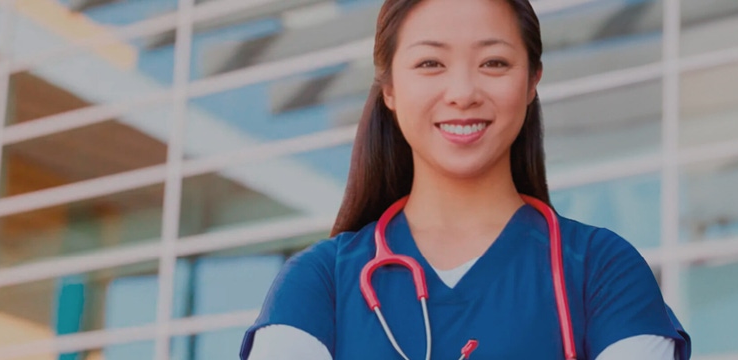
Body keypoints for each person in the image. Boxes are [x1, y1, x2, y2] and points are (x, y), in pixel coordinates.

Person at [239, 0, 690, 358]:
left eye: (493, 62)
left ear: (532, 81)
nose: (463, 93)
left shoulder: (603, 271)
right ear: (389, 88)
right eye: (430, 63)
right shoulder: (320, 283)